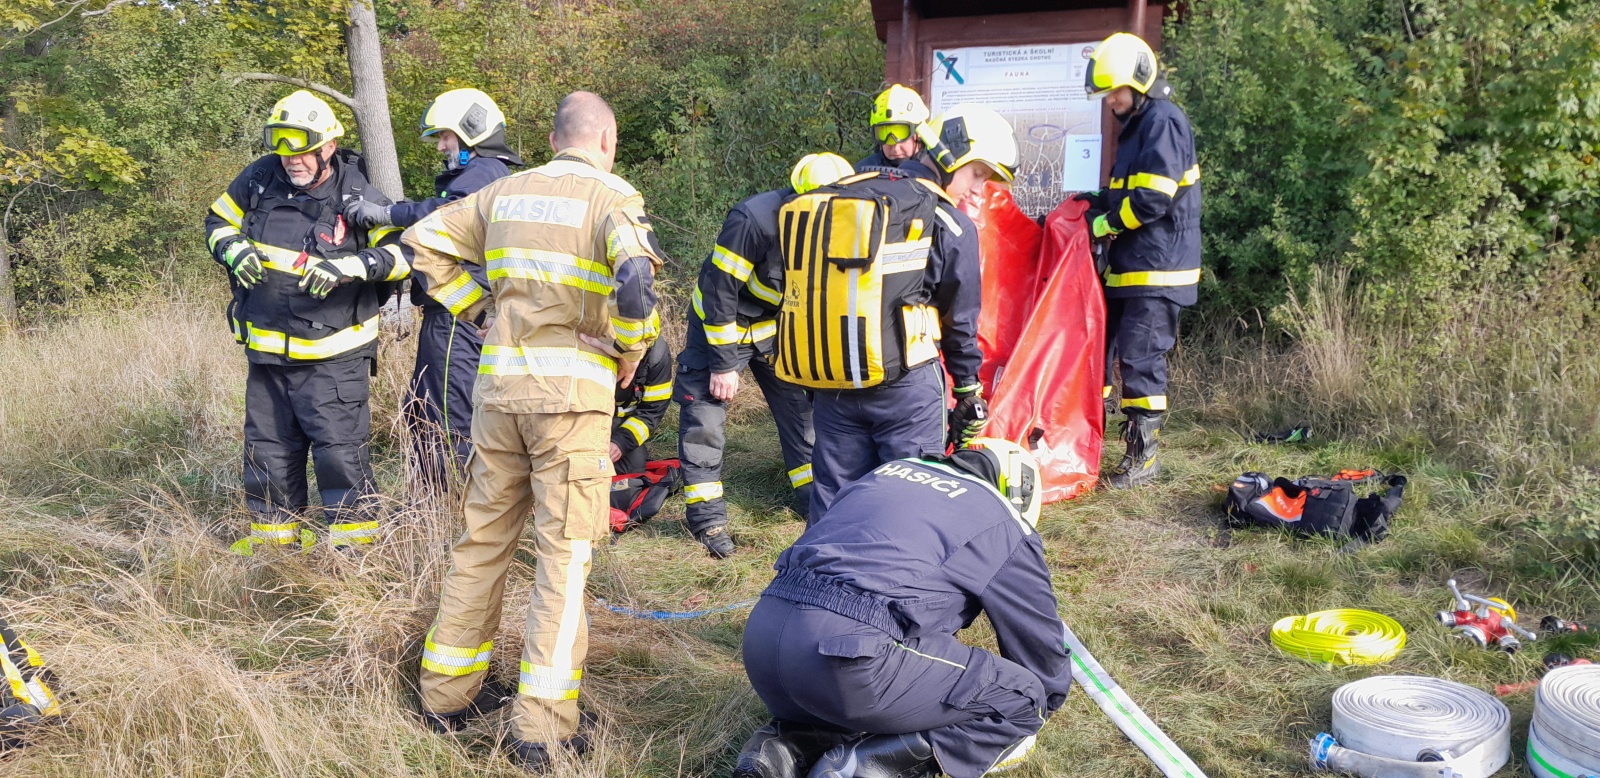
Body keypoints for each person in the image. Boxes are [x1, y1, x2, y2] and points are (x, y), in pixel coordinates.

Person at [402, 91, 664, 773]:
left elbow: (421, 241)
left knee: (482, 540)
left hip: (498, 394)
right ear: (605, 140)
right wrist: (630, 352)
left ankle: (445, 696)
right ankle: (541, 729)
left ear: (554, 138)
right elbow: (635, 283)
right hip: (570, 402)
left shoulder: (505, 193)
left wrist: (479, 309)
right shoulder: (612, 197)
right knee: (563, 560)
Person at [734, 438, 1071, 778]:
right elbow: (1037, 641)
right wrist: (1043, 704)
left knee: (862, 688)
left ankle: (782, 748)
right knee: (1022, 696)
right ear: (1020, 492)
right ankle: (866, 768)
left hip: (763, 639)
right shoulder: (1002, 521)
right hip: (850, 654)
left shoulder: (884, 474)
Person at [780, 105, 1016, 519]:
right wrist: (967, 391)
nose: (979, 189)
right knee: (910, 504)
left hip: (835, 381)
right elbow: (960, 324)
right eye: (977, 174)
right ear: (949, 155)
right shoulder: (950, 223)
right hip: (907, 389)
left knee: (834, 503)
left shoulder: (850, 190)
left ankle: (817, 580)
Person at [203, 90, 409, 555]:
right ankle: (276, 551)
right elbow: (217, 221)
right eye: (284, 151)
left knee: (339, 455)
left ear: (328, 147)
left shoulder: (356, 194)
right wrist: (232, 249)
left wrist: (351, 266)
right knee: (267, 452)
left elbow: (404, 255)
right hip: (267, 355)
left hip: (334, 361)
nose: (290, 161)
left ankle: (354, 556)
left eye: (300, 152)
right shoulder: (259, 178)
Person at [673, 152, 853, 557]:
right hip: (720, 327)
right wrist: (723, 362)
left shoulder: (839, 224)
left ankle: (813, 499)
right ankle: (707, 520)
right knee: (706, 418)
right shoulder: (753, 219)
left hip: (773, 331)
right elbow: (719, 290)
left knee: (799, 411)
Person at [342, 88, 524, 490]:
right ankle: (432, 505)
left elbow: (443, 217)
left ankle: (442, 513)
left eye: (446, 135)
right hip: (456, 317)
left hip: (456, 320)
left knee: (441, 415)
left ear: (473, 132)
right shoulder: (488, 174)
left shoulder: (482, 173)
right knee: (424, 408)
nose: (441, 145)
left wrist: (388, 212)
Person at [1076, 32, 1202, 489]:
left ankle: (1144, 461)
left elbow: (1152, 199)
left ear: (1141, 81)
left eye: (1117, 91)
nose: (1111, 101)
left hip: (1159, 268)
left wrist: (1105, 225)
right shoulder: (1138, 125)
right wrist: (1092, 202)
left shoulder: (1163, 122)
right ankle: (1091, 443)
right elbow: (1129, 191)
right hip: (1133, 267)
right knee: (1107, 351)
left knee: (1140, 357)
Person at [611, 311, 672, 477]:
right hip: (583, 420)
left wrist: (620, 443)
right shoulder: (595, 345)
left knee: (634, 468)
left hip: (619, 424)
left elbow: (651, 412)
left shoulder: (657, 357)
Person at [1, 616, 60, 749]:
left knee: (25, 717)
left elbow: (51, 686)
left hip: (39, 719)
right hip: (23, 719)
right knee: (24, 717)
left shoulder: (10, 643)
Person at [854, 84, 930, 171]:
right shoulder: (861, 172)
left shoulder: (936, 171)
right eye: (884, 134)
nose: (896, 148)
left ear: (919, 132)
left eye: (902, 133)